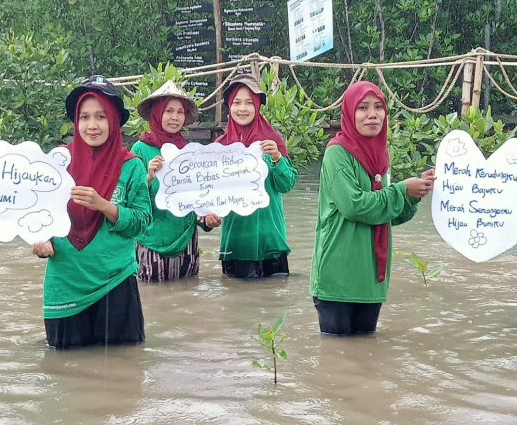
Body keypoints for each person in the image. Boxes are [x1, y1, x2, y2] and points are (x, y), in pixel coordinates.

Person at [31, 76, 151, 348]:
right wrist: (42, 240)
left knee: (124, 371)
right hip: (65, 282)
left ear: (114, 120)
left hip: (116, 281)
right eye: (84, 117)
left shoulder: (131, 165)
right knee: (65, 371)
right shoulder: (58, 161)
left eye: (101, 116)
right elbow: (37, 213)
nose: (92, 125)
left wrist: (105, 206)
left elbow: (143, 221)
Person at [309, 81, 435, 336]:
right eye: (363, 108)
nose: (372, 114)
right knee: (337, 356)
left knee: (366, 356)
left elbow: (384, 214)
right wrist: (401, 190)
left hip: (370, 280)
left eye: (379, 107)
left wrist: (415, 193)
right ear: (349, 113)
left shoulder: (380, 156)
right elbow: (354, 206)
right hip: (338, 276)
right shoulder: (337, 153)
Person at [132, 80, 220, 282]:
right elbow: (129, 201)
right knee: (153, 298)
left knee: (188, 299)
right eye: (168, 111)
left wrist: (208, 218)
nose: (175, 117)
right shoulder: (140, 149)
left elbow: (199, 197)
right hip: (151, 240)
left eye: (180, 112)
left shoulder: (189, 152)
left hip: (187, 239)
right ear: (157, 113)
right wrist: (148, 177)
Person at [215, 73, 298, 278]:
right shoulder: (219, 148)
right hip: (236, 241)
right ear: (229, 107)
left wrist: (277, 157)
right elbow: (211, 194)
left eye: (249, 103)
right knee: (236, 303)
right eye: (237, 102)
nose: (242, 108)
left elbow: (286, 185)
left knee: (275, 302)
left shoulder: (272, 141)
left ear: (258, 107)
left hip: (271, 238)